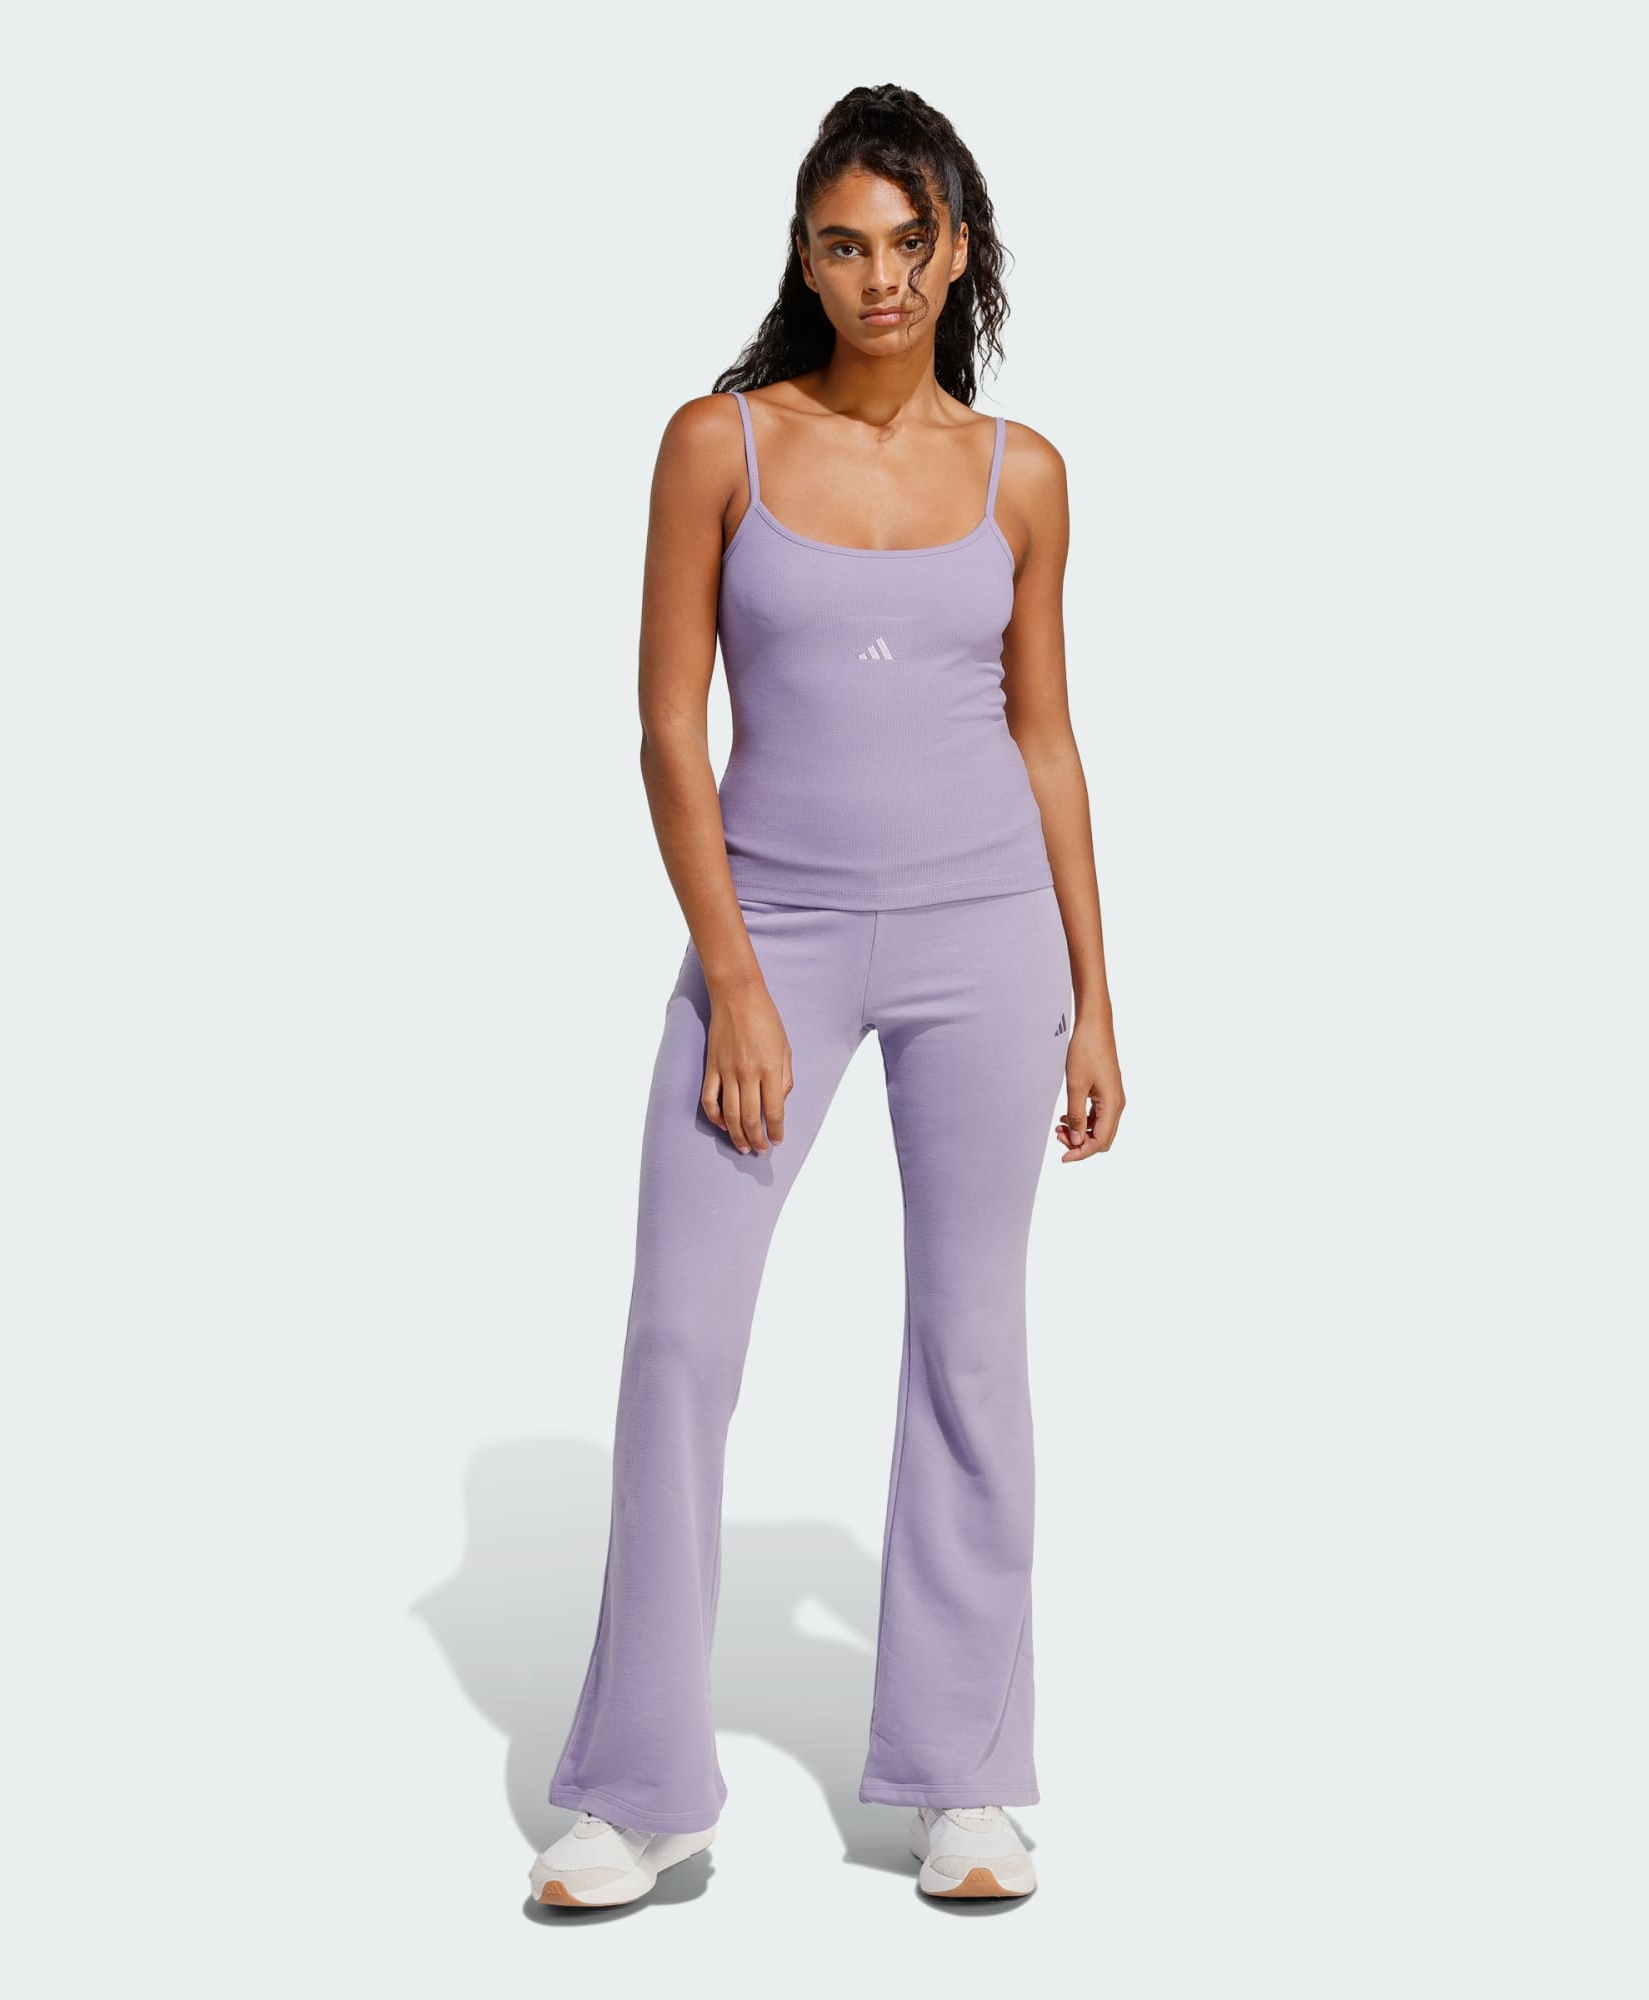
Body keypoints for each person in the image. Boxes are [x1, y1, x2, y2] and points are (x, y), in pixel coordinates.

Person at [531, 82, 1125, 1909]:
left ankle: (966, 1779)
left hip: (986, 938)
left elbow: (1046, 738)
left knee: (971, 1347)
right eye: (842, 244)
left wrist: (1097, 996)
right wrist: (732, 976)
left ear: (959, 251)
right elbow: (667, 731)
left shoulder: (1022, 475)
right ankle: (640, 1787)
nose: (878, 278)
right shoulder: (718, 443)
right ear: (803, 256)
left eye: (908, 244)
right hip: (770, 930)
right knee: (679, 1340)